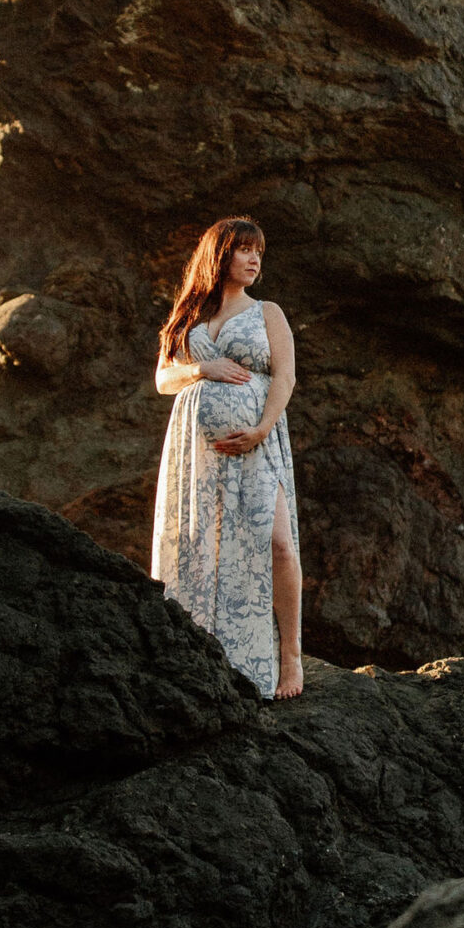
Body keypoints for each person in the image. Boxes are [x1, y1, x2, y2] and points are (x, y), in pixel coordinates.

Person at [151, 216, 302, 699]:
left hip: (259, 441)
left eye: (259, 252)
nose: (255, 260)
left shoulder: (268, 313)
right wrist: (201, 367)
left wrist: (260, 429)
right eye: (245, 250)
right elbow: (163, 379)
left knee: (278, 542)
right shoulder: (188, 315)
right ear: (221, 256)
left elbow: (284, 378)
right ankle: (207, 652)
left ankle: (291, 659)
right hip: (198, 453)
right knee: (203, 547)